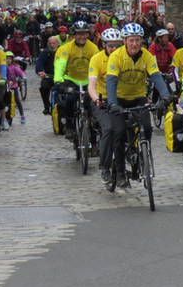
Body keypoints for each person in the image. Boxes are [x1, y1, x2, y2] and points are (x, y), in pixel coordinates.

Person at [105, 24, 170, 190]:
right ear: (125, 41)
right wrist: (112, 103)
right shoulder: (116, 56)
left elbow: (156, 76)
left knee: (147, 128)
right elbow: (111, 81)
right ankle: (119, 172)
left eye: (138, 40)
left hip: (138, 98)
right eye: (131, 40)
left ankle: (142, 156)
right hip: (119, 100)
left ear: (142, 41)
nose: (135, 44)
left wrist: (165, 96)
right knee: (118, 133)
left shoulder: (147, 56)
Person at [87, 28, 124, 185]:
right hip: (103, 100)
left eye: (118, 45)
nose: (114, 48)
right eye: (111, 45)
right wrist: (96, 100)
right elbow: (91, 85)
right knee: (108, 129)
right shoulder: (96, 59)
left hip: (121, 99)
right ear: (103, 45)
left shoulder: (124, 57)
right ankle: (105, 166)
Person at [54, 22, 99, 139]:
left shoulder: (93, 48)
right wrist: (58, 80)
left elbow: (98, 65)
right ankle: (69, 126)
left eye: (84, 34)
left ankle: (93, 137)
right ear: (74, 35)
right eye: (79, 34)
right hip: (71, 79)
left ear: (88, 34)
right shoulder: (66, 48)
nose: (82, 37)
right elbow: (60, 65)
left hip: (87, 80)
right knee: (70, 99)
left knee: (91, 105)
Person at [36, 36, 59, 114]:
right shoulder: (45, 52)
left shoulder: (62, 52)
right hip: (49, 75)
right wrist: (40, 71)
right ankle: (46, 105)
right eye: (50, 43)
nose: (52, 45)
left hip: (60, 76)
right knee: (44, 87)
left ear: (57, 44)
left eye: (54, 43)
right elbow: (40, 62)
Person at [4, 52, 26, 125]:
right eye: (6, 59)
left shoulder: (14, 67)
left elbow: (20, 72)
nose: (8, 60)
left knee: (17, 100)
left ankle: (22, 115)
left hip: (13, 86)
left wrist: (23, 76)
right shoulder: (2, 66)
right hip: (4, 86)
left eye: (9, 59)